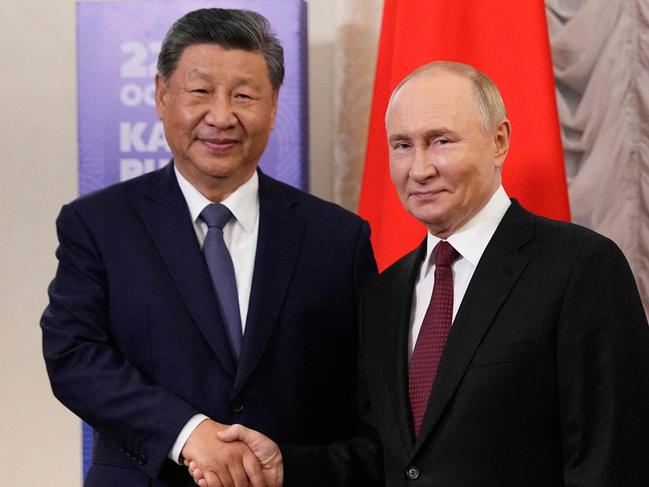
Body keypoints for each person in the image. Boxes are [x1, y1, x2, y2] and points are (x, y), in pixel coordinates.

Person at [197, 61, 649, 487]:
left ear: (499, 141)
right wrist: (285, 467)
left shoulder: (580, 267)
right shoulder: (385, 295)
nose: (420, 169)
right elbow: (388, 458)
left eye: (441, 141)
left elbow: (613, 460)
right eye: (403, 145)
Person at [41, 8, 376, 487]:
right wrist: (186, 431)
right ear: (161, 95)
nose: (221, 116)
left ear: (275, 102)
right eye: (200, 92)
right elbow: (73, 354)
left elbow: (365, 394)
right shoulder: (98, 225)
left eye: (244, 95)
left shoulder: (338, 238)